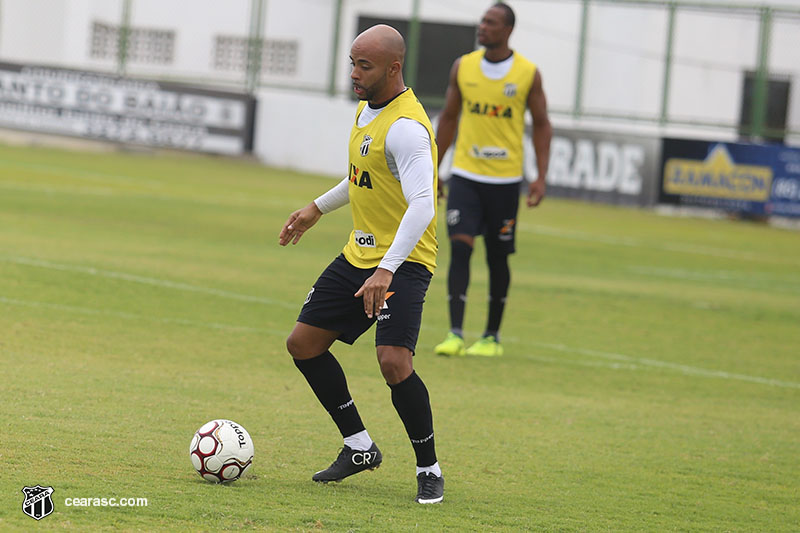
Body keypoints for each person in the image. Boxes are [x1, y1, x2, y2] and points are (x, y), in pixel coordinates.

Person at [279, 24, 444, 504]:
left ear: (393, 69)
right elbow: (362, 176)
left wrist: (387, 269)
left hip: (405, 260)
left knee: (393, 361)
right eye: (352, 62)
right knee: (303, 344)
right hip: (361, 254)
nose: (353, 73)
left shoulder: (408, 128)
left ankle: (429, 469)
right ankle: (358, 445)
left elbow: (423, 205)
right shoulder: (366, 110)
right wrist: (316, 208)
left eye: (363, 66)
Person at [434, 2, 552, 357]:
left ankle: (490, 337)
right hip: (466, 176)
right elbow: (450, 118)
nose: (482, 26)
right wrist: (435, 168)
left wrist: (540, 177)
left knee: (498, 258)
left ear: (508, 30)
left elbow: (542, 125)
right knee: (460, 246)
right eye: (483, 20)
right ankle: (455, 333)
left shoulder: (528, 73)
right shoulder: (463, 67)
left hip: (504, 181)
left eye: (491, 22)